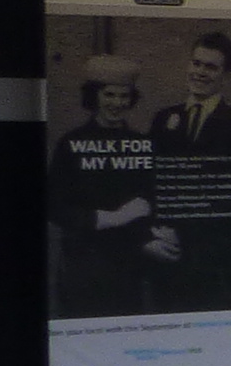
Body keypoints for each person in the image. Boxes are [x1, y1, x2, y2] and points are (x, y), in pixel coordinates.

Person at [147, 27, 231, 312]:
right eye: (196, 63)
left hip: (215, 258)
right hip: (169, 253)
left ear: (226, 75)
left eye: (211, 67)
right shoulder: (164, 118)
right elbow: (150, 181)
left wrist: (184, 229)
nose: (200, 73)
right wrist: (156, 231)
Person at [47, 56, 157, 318]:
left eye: (124, 96)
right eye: (109, 94)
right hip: (82, 264)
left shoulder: (142, 144)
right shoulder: (71, 143)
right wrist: (109, 218)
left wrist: (155, 235)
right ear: (94, 96)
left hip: (128, 266)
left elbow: (152, 200)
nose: (117, 103)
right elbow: (53, 206)